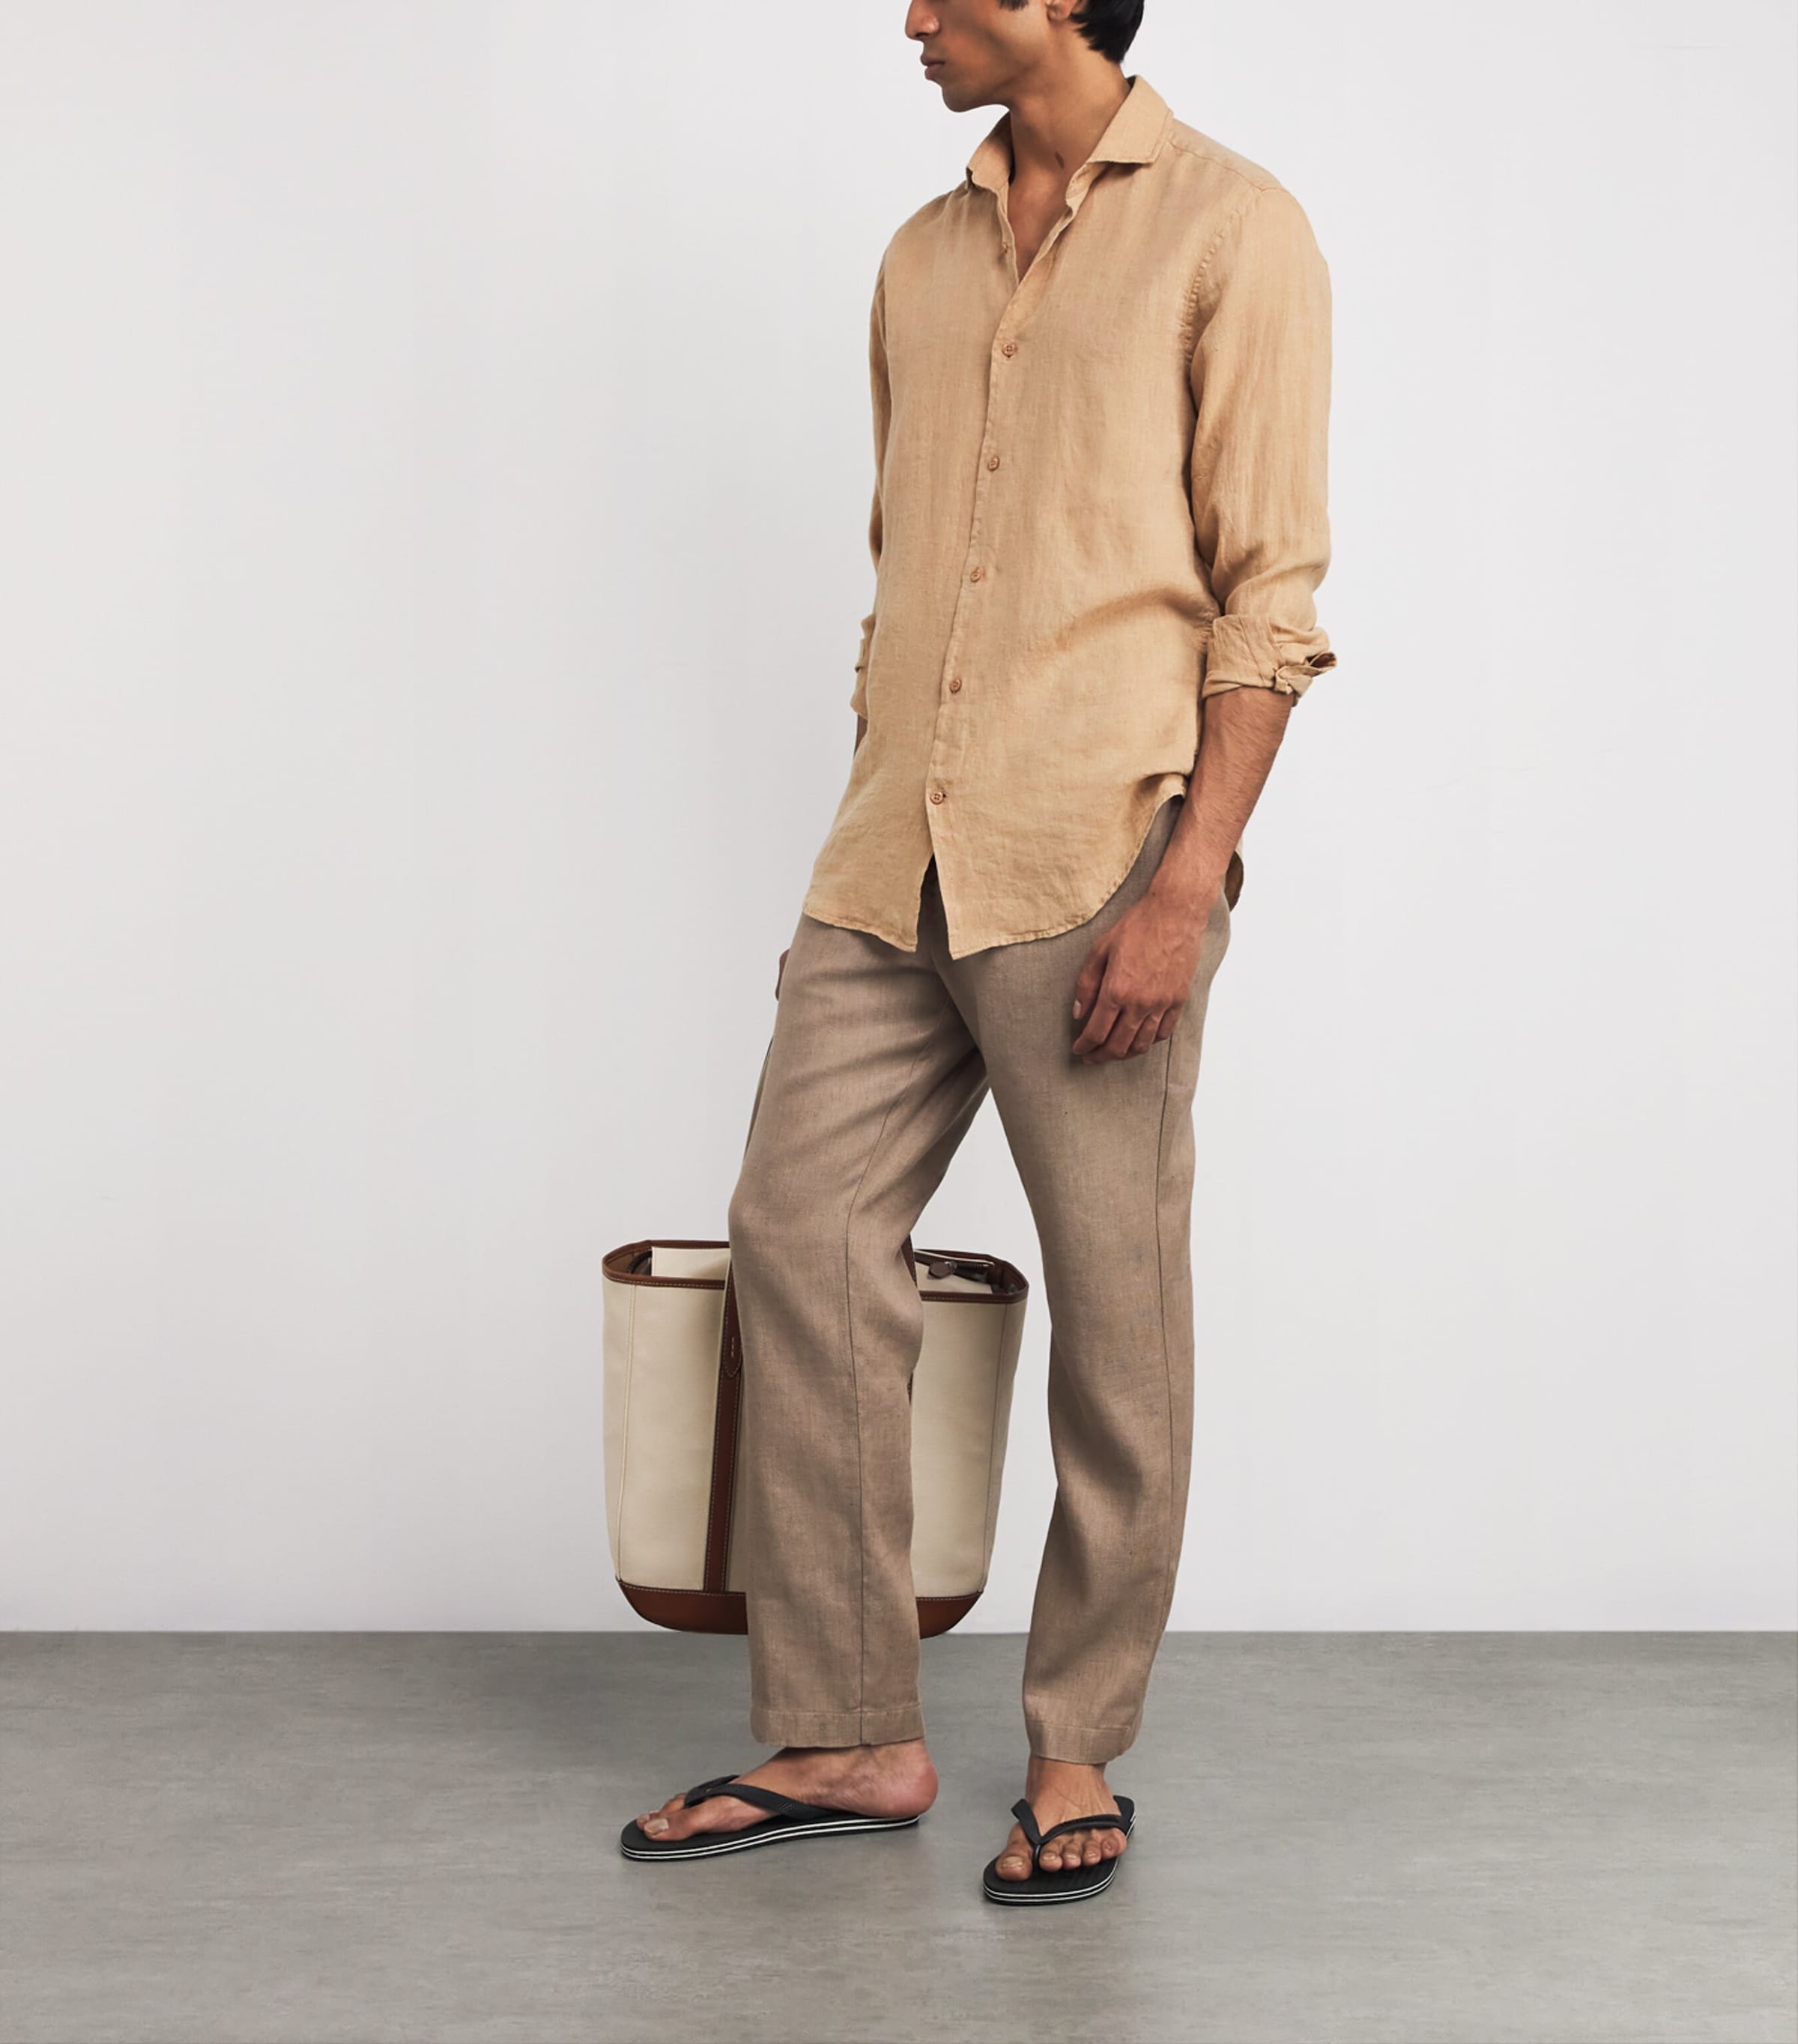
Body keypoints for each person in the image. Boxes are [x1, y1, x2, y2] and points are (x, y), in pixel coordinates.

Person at [624, 0, 1336, 1902]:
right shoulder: (919, 255)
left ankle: (1076, 1743)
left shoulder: (1234, 226)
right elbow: (908, 559)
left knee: (1118, 1312)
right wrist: (886, 759)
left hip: (1099, 852)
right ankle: (850, 1727)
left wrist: (1186, 885)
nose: (912, 17)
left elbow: (1270, 592)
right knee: (797, 1228)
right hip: (893, 852)